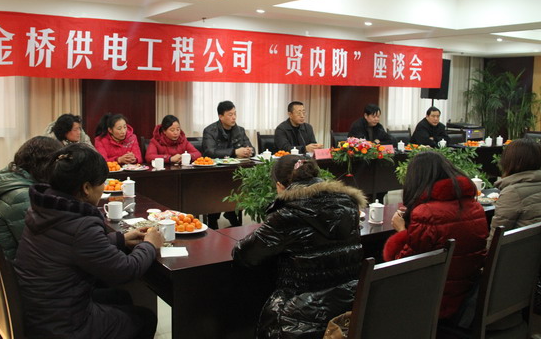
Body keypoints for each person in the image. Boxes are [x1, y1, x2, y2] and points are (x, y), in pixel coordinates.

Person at [14, 144, 163, 339]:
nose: (103, 188)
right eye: (101, 183)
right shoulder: (81, 223)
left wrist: (120, 238)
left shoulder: (44, 207)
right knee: (145, 318)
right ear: (86, 188)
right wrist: (150, 244)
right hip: (63, 324)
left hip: (39, 308)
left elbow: (72, 245)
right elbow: (124, 270)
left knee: (121, 297)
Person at [233, 155, 365, 339]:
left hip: (298, 315)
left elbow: (245, 255)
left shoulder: (287, 214)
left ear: (280, 186)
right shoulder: (349, 204)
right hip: (346, 305)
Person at [383, 151, 488, 321]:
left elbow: (402, 266)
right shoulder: (474, 206)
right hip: (469, 293)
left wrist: (402, 231)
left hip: (437, 301)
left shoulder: (426, 213)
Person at [0, 136, 62, 260]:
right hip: (14, 267)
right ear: (46, 165)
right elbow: (43, 248)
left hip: (5, 262)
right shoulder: (22, 197)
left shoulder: (11, 178)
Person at [203, 101, 254, 229]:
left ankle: (231, 212)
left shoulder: (240, 130)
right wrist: (234, 152)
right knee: (218, 186)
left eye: (235, 114)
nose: (234, 117)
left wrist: (248, 151)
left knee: (239, 183)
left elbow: (252, 148)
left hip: (235, 172)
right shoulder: (210, 131)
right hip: (215, 173)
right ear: (221, 116)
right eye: (230, 115)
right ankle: (213, 217)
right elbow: (209, 152)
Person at [488, 138, 541, 245]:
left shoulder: (512, 193)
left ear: (508, 161)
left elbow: (496, 239)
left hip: (518, 252)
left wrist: (487, 254)